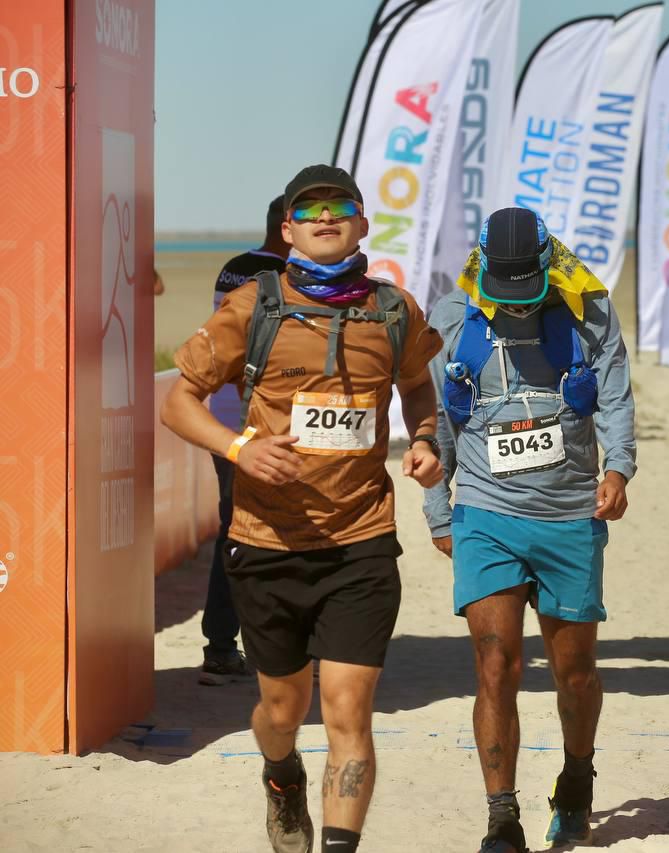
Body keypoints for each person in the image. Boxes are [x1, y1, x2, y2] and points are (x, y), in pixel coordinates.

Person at [161, 164, 444, 853]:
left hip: (361, 541)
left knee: (349, 711)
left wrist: (429, 438)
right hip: (266, 542)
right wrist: (240, 450)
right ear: (287, 228)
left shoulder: (393, 310)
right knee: (282, 710)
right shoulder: (252, 308)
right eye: (309, 208)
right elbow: (178, 401)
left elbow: (419, 386)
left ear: (361, 222)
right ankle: (281, 774)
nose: (325, 216)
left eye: (339, 205)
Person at [423, 207, 636, 852]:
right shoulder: (453, 320)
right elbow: (433, 419)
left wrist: (619, 468)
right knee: (495, 666)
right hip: (485, 515)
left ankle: (576, 775)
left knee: (573, 673)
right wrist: (439, 509)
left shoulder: (589, 311)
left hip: (570, 515)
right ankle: (501, 816)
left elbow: (617, 396)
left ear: (547, 265)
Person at [198, 195, 289, 686]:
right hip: (264, 427)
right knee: (277, 537)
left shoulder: (233, 268)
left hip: (223, 426)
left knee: (231, 534)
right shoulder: (284, 281)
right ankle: (274, 648)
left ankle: (219, 645)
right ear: (286, 227)